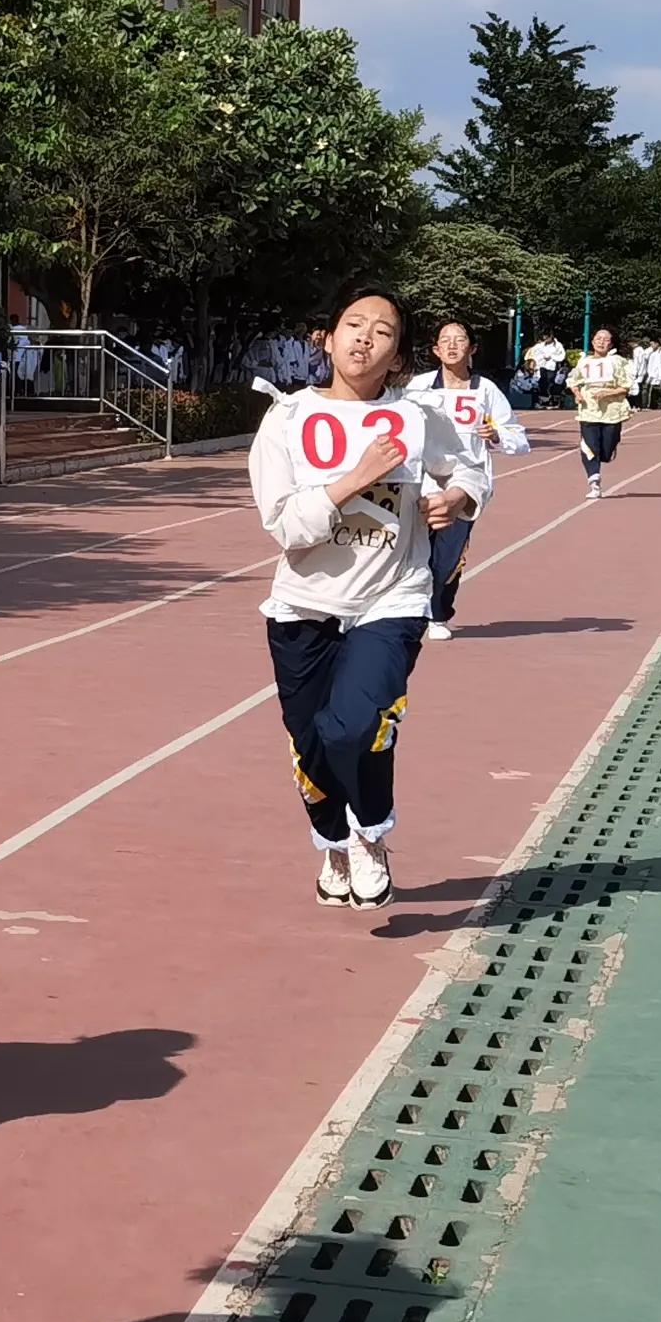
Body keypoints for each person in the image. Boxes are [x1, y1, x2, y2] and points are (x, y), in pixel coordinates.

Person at [253, 285, 493, 909]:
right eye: (353, 325)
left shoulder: (417, 418)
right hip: (303, 604)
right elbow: (285, 526)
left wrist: (455, 499)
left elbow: (469, 469)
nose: (365, 337)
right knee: (311, 742)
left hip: (391, 598)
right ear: (328, 339)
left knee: (355, 725)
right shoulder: (288, 418)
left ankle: (369, 834)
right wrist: (357, 478)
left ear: (399, 355)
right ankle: (333, 845)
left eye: (382, 331)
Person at [401, 319, 525, 640]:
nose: (452, 345)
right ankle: (413, 611)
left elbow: (518, 437)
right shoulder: (417, 387)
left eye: (460, 339)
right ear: (436, 349)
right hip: (421, 482)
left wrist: (496, 435)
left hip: (465, 484)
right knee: (413, 551)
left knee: (447, 556)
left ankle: (438, 613)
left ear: (472, 348)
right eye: (445, 340)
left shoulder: (485, 390)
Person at [566, 327, 635, 495]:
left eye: (605, 339)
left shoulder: (618, 361)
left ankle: (607, 451)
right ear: (592, 341)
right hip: (589, 408)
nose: (601, 342)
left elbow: (626, 386)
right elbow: (573, 381)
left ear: (611, 344)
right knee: (589, 445)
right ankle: (594, 480)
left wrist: (608, 393)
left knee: (606, 449)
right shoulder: (584, 361)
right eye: (598, 338)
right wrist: (577, 394)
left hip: (612, 410)